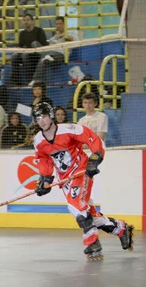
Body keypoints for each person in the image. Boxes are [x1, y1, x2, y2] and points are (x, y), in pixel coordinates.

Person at [31, 102, 133, 260]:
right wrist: (44, 179)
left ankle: (92, 242)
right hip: (65, 181)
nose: (42, 121)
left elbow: (92, 138)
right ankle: (120, 229)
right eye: (38, 118)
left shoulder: (68, 129)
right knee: (89, 214)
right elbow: (44, 160)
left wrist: (95, 157)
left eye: (44, 116)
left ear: (50, 116)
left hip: (81, 172)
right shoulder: (38, 140)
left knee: (75, 206)